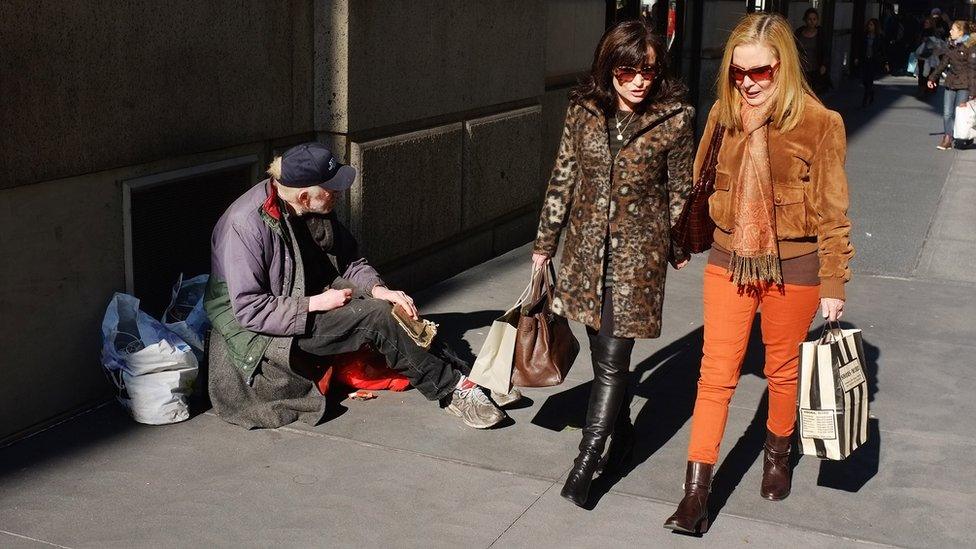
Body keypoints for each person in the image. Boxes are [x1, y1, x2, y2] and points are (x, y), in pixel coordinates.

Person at [663, 13, 854, 534]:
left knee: (782, 369)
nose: (746, 83)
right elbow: (699, 184)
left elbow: (834, 214)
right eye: (737, 73)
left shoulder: (819, 123)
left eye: (760, 73)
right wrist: (682, 237)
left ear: (784, 68)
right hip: (728, 260)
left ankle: (776, 453)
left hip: (795, 268)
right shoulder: (723, 115)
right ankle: (696, 494)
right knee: (715, 375)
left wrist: (834, 284)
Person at [204, 143, 506, 430]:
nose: (340, 192)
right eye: (331, 188)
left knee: (388, 306)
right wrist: (314, 304)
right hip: (267, 327)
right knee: (375, 317)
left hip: (308, 294)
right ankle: (452, 390)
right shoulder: (244, 226)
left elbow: (349, 261)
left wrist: (378, 289)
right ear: (305, 197)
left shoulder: (314, 207)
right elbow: (249, 310)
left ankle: (462, 371)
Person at [532, 19, 695, 507]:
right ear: (610, 68)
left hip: (636, 259)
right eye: (629, 70)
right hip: (583, 252)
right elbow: (563, 176)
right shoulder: (583, 111)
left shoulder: (675, 118)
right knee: (602, 354)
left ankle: (586, 463)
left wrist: (678, 245)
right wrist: (544, 244)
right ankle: (622, 435)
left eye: (649, 71)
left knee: (612, 361)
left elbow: (681, 189)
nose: (640, 80)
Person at [927, 21, 976, 150]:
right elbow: (943, 63)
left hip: (964, 85)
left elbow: (972, 70)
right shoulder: (951, 45)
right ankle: (947, 138)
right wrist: (932, 77)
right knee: (947, 113)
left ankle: (967, 136)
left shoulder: (970, 46)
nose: (950, 31)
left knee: (960, 113)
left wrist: (972, 91)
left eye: (953, 29)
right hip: (950, 83)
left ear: (960, 32)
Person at [855, 18, 889, 107]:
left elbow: (883, 50)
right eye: (869, 25)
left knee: (869, 79)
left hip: (874, 61)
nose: (869, 26)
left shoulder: (879, 37)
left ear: (875, 26)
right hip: (865, 59)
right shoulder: (865, 36)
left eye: (871, 25)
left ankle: (865, 99)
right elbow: (860, 47)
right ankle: (871, 92)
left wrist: (886, 62)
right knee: (864, 80)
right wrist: (857, 57)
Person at [794, 8, 828, 93]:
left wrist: (824, 64)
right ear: (805, 20)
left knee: (813, 92)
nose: (812, 21)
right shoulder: (799, 33)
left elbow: (825, 50)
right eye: (809, 19)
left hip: (815, 68)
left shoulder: (820, 34)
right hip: (801, 68)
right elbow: (794, 47)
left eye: (814, 19)